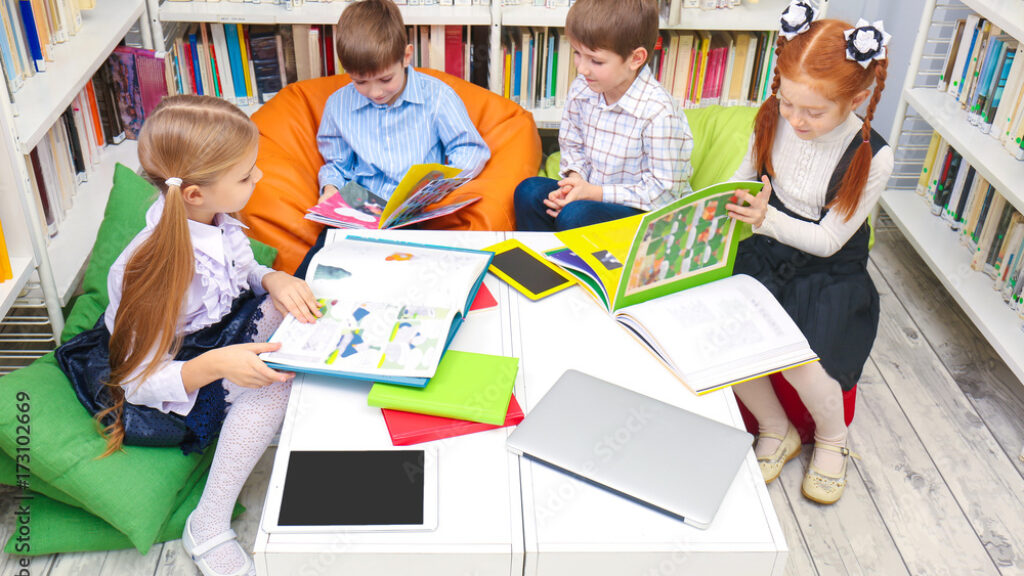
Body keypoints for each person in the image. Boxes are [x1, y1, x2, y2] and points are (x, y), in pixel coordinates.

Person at [55, 95, 321, 576]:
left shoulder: (212, 219)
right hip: (161, 375)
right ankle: (208, 522)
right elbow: (136, 380)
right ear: (196, 193)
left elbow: (242, 270)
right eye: (247, 176)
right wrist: (218, 366)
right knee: (275, 387)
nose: (259, 177)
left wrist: (271, 278)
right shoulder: (153, 271)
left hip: (208, 336)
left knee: (300, 313)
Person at [723, 2, 894, 505]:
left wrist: (765, 219)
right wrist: (715, 204)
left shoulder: (872, 155)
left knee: (802, 360)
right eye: (788, 103)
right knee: (728, 340)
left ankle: (833, 440)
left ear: (857, 99)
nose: (795, 119)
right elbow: (741, 177)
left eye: (813, 112)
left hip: (829, 271)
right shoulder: (774, 117)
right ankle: (775, 427)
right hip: (766, 252)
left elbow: (828, 240)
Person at [297, 0, 491, 277]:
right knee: (318, 265)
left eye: (386, 79)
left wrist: (439, 183)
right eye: (360, 82)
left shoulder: (437, 96)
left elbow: (469, 148)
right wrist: (330, 189)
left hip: (413, 212)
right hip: (360, 209)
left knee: (402, 273)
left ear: (406, 56)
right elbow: (337, 163)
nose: (375, 92)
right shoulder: (338, 105)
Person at [513, 0, 693, 232]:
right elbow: (573, 145)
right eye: (577, 53)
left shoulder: (659, 112)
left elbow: (664, 194)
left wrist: (595, 194)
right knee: (528, 191)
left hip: (647, 213)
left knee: (575, 215)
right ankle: (546, 254)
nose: (582, 68)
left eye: (596, 60)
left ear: (636, 59)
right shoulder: (582, 88)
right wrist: (574, 182)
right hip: (591, 196)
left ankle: (573, 245)